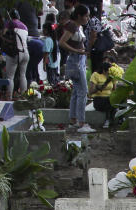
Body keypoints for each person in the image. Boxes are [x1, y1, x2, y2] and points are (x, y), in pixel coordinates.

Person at [59, 4, 95, 132]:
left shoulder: (78, 26)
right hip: (75, 60)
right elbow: (62, 42)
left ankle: (73, 119)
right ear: (79, 16)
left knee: (76, 91)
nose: (88, 18)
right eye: (86, 16)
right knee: (83, 92)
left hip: (79, 59)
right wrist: (76, 50)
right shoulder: (72, 26)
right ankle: (81, 122)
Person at [2, 10, 30, 97]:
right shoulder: (25, 26)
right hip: (25, 53)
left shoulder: (10, 23)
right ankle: (24, 96)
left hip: (14, 53)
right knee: (23, 75)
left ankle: (9, 97)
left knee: (10, 77)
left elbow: (4, 34)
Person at [89, 61, 119, 128]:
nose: (108, 73)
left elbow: (114, 90)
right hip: (99, 99)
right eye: (107, 71)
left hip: (109, 98)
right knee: (108, 102)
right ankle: (108, 120)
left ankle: (119, 119)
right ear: (103, 70)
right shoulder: (96, 75)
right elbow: (90, 91)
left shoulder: (111, 76)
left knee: (117, 101)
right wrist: (98, 87)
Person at [42, 17, 60, 85]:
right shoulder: (54, 39)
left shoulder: (47, 40)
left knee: (50, 82)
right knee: (54, 81)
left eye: (44, 29)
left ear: (47, 30)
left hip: (49, 64)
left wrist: (44, 64)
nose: (43, 31)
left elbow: (46, 53)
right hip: (55, 64)